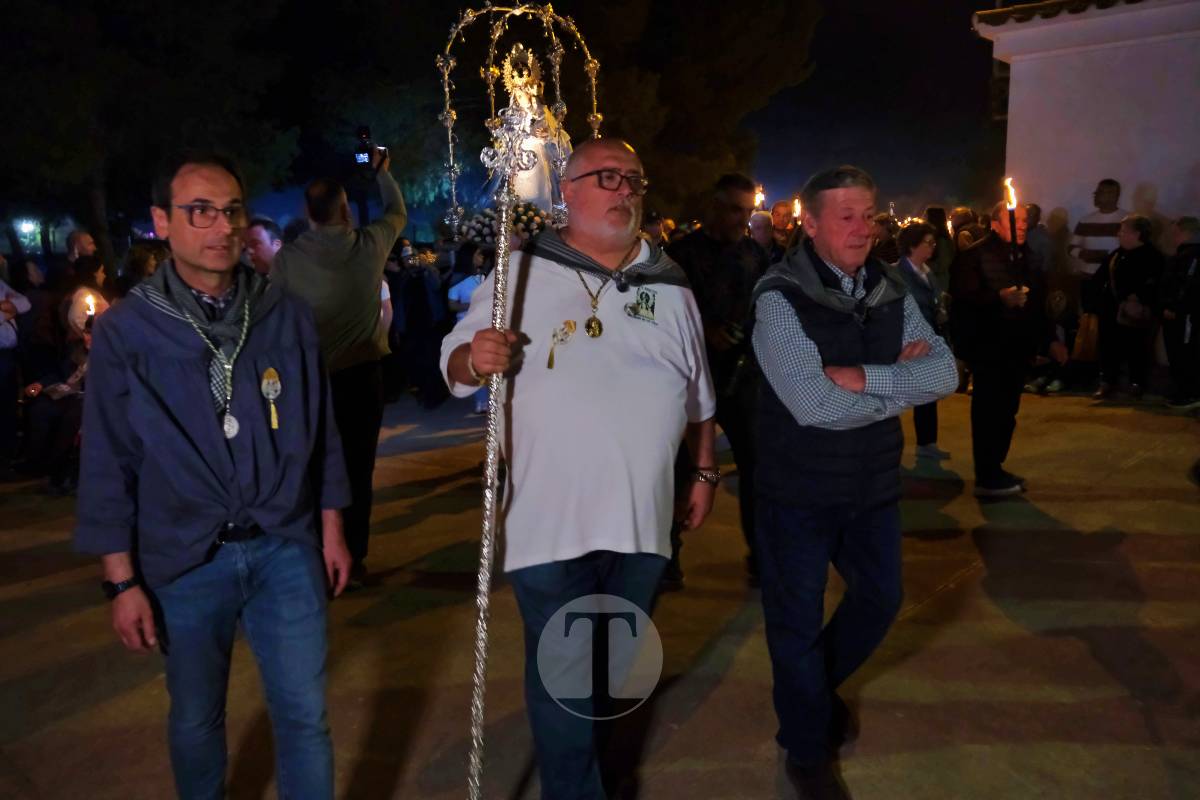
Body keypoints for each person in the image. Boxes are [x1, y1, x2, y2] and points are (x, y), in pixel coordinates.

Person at [440, 137, 716, 799]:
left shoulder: (669, 284)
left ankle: (591, 763)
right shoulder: (521, 270)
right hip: (550, 520)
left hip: (642, 521)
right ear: (567, 191)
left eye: (633, 179)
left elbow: (700, 395)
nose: (623, 189)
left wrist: (703, 471)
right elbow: (452, 362)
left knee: (612, 668)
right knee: (566, 669)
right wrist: (475, 357)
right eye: (606, 177)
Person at [74, 150, 353, 799]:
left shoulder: (284, 314)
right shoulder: (128, 331)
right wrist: (121, 583)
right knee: (198, 718)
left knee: (305, 716)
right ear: (162, 222)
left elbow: (323, 431)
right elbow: (108, 461)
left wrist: (332, 528)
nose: (221, 226)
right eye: (199, 211)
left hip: (284, 545)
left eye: (231, 211)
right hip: (185, 557)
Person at [752, 165, 958, 799]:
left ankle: (810, 694)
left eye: (868, 214)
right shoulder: (778, 297)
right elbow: (811, 406)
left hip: (871, 484)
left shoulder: (890, 286)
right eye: (844, 216)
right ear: (808, 224)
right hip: (797, 490)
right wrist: (898, 381)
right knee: (795, 621)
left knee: (880, 599)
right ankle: (806, 750)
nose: (862, 228)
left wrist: (862, 378)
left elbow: (946, 374)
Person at [272, 147, 407, 585]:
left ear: (307, 213)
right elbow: (397, 211)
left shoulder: (287, 261)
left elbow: (272, 320)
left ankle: (318, 555)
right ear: (345, 210)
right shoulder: (369, 246)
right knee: (358, 468)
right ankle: (356, 557)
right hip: (363, 377)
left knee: (315, 468)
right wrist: (382, 171)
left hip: (311, 381)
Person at [668, 172, 767, 586]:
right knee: (677, 474)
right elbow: (662, 314)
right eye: (733, 210)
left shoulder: (755, 255)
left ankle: (762, 557)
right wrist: (705, 330)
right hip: (689, 381)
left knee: (759, 473)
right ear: (713, 205)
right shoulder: (679, 255)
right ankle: (666, 558)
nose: (741, 220)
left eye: (747, 212)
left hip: (741, 380)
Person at [950, 201, 1069, 496]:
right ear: (995, 224)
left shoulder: (1026, 256)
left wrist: (1050, 338)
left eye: (1025, 221)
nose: (1022, 225)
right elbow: (964, 300)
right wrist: (998, 298)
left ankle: (995, 468)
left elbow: (1038, 303)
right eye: (1015, 220)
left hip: (1018, 347)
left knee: (1007, 411)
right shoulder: (974, 255)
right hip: (988, 347)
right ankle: (987, 475)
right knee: (989, 411)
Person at [1089, 214, 1164, 399]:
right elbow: (1099, 279)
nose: (1118, 234)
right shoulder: (1117, 255)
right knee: (1107, 347)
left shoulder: (1153, 256)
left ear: (1136, 234)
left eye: (1123, 231)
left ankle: (1136, 383)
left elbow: (1157, 284)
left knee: (1136, 347)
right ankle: (1107, 381)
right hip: (1110, 310)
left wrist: (1138, 299)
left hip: (1135, 313)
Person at [896, 221, 951, 460]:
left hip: (930, 338)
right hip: (908, 341)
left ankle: (927, 442)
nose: (932, 248)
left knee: (928, 391)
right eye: (927, 244)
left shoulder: (928, 272)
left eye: (933, 243)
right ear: (912, 247)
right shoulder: (898, 274)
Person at [1159, 216, 1200, 409]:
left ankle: (1189, 393)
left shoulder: (1190, 257)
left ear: (1184, 233)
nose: (1172, 237)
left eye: (1175, 233)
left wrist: (1173, 307)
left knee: (1184, 353)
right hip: (1183, 314)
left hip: (1184, 316)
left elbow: (1186, 285)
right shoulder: (1185, 255)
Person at [445, 242, 491, 414]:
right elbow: (452, 305)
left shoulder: (482, 276)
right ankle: (481, 402)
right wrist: (473, 305)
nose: (481, 258)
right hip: (467, 326)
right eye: (478, 254)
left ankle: (486, 401)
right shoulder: (459, 279)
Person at [1070, 178, 1128, 279]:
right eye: (1096, 192)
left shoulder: (1127, 220)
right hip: (1088, 276)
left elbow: (1137, 249)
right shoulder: (1085, 220)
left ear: (1113, 196)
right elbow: (1071, 248)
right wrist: (1085, 254)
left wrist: (1108, 257)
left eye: (1100, 192)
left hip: (1117, 277)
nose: (1095, 195)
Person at [0, 275, 32, 462]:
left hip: (7, 356)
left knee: (8, 408)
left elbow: (23, 302)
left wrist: (10, 308)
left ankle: (6, 456)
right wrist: (6, 312)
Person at [64, 254, 110, 338]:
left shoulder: (89, 293)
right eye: (102, 271)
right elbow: (75, 317)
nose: (104, 275)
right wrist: (90, 336)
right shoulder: (84, 294)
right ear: (94, 274)